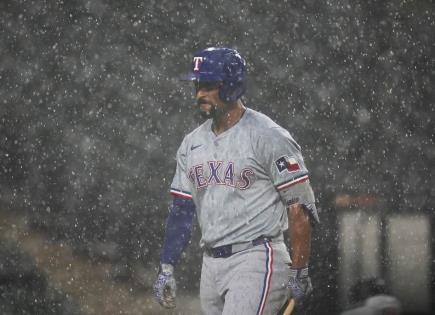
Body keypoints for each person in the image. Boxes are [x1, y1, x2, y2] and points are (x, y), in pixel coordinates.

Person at [153, 47, 319, 314]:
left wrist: (300, 270)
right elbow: (182, 209)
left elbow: (298, 207)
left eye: (208, 85)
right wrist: (167, 265)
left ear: (231, 85)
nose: (199, 94)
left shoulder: (269, 136)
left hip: (256, 256)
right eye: (197, 85)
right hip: (211, 264)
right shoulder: (191, 143)